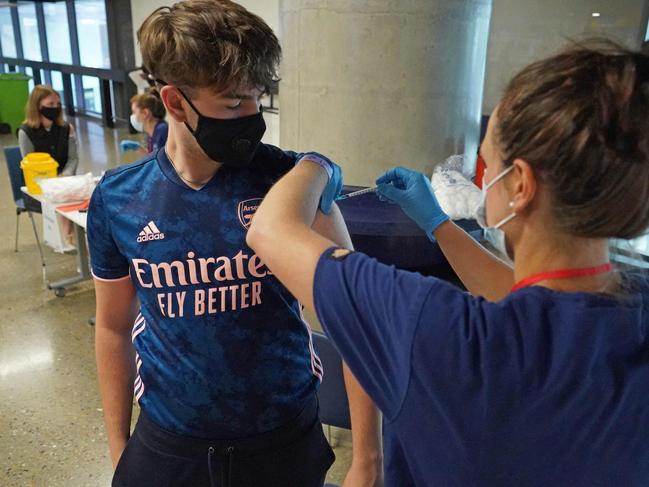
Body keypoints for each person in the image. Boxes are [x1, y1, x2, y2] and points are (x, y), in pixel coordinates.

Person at [247, 39, 649, 486]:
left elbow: (270, 231)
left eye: (486, 164)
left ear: (520, 184)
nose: (481, 176)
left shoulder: (430, 327)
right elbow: (536, 308)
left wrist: (314, 165)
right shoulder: (631, 308)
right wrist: (437, 223)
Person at [87, 1, 381, 486]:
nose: (251, 117)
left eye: (256, 99)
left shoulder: (291, 185)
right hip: (170, 442)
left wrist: (368, 459)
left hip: (281, 439)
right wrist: (120, 447)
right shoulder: (120, 199)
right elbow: (113, 329)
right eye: (231, 104)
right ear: (176, 102)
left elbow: (357, 322)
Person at [18, 85, 78, 176]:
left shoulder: (67, 128)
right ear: (38, 106)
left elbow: (73, 159)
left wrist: (64, 176)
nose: (56, 107)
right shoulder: (25, 132)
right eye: (51, 104)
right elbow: (31, 166)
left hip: (65, 180)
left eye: (58, 104)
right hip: (39, 181)